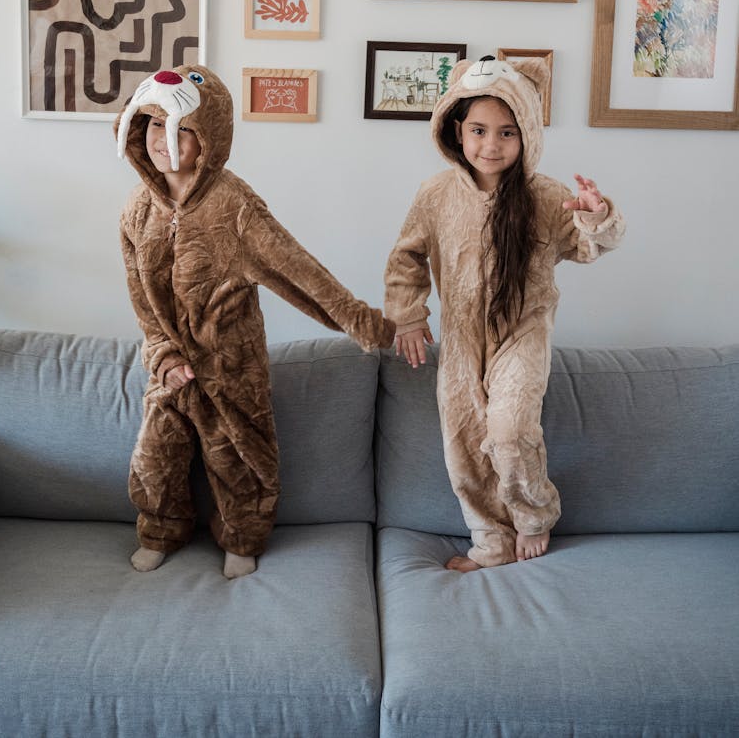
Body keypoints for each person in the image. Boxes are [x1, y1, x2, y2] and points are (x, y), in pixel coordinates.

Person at [115, 65, 394, 579]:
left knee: (241, 461)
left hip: (231, 367)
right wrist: (165, 356)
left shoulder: (234, 207)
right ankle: (161, 530)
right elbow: (142, 303)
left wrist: (369, 324)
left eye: (181, 129)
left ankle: (241, 539)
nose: (163, 139)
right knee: (155, 457)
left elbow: (301, 273)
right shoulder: (137, 212)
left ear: (210, 139)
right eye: (153, 125)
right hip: (172, 371)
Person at [384, 55, 625, 570]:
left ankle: (533, 516)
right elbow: (406, 255)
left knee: (509, 430)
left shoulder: (545, 196)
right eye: (478, 130)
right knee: (464, 441)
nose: (490, 145)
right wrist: (408, 314)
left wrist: (596, 216)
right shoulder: (436, 194)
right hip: (460, 335)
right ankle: (490, 541)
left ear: (527, 136)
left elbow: (590, 247)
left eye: (507, 133)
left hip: (523, 331)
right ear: (456, 130)